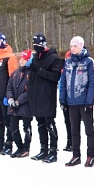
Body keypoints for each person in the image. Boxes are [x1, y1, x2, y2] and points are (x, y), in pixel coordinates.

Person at [59, 36, 94, 167]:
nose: (72, 48)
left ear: (81, 46)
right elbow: (63, 81)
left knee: (89, 130)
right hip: (71, 102)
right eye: (71, 46)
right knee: (74, 131)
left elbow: (93, 82)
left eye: (75, 46)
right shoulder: (68, 62)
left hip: (84, 101)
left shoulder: (89, 62)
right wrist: (62, 99)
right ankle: (76, 155)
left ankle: (90, 155)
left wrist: (89, 102)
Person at [28, 33, 64, 163]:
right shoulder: (35, 58)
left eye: (37, 44)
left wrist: (39, 70)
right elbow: (32, 78)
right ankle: (43, 149)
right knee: (40, 123)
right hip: (36, 95)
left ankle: (53, 150)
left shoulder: (53, 58)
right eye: (34, 45)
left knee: (49, 123)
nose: (35, 47)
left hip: (47, 95)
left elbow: (55, 77)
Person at [6, 50, 34, 158]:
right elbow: (9, 87)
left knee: (26, 127)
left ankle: (26, 148)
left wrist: (19, 100)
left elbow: (30, 91)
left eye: (24, 59)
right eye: (21, 59)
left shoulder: (31, 73)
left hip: (26, 105)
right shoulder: (15, 73)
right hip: (13, 106)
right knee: (13, 127)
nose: (21, 61)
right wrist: (10, 98)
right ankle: (19, 147)